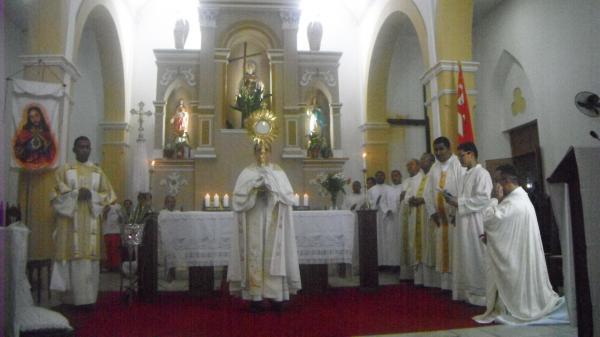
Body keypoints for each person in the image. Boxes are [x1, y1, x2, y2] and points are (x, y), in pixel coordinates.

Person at [474, 164, 564, 324]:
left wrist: (494, 199)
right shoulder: (518, 199)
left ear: (506, 181)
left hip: (518, 260)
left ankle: (509, 308)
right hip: (520, 255)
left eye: (497, 181)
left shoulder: (514, 203)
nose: (495, 186)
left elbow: (490, 220)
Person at [227, 143, 301, 312]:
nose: (262, 153)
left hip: (274, 219)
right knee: (255, 254)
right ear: (253, 152)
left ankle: (277, 295)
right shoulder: (247, 173)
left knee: (274, 255)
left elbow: (288, 196)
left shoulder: (278, 172)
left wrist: (272, 189)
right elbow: (237, 199)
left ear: (271, 152)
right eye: (258, 150)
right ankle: (255, 296)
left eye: (266, 150)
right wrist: (254, 190)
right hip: (254, 216)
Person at [50, 136, 116, 307]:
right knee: (73, 257)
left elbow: (108, 195)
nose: (84, 150)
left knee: (89, 262)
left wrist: (92, 195)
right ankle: (69, 299)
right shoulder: (64, 170)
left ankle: (89, 299)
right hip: (70, 226)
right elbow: (55, 195)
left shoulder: (97, 172)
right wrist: (75, 194)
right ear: (74, 149)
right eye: (81, 147)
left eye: (87, 147)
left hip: (91, 226)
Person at [443, 142, 491, 306]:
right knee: (465, 255)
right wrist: (453, 202)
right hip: (463, 221)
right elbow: (462, 198)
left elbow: (483, 199)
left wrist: (459, 202)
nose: (460, 159)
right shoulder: (465, 175)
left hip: (476, 222)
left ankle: (482, 295)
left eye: (462, 155)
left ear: (471, 154)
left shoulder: (482, 174)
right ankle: (467, 293)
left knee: (477, 255)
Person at [426, 136, 465, 290]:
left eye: (441, 149)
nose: (438, 152)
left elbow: (462, 188)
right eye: (436, 149)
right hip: (441, 220)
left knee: (455, 251)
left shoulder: (457, 165)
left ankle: (457, 286)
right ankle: (445, 285)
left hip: (454, 217)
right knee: (442, 250)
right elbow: (428, 193)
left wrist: (457, 211)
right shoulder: (434, 168)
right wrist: (431, 212)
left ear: (449, 149)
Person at [408, 153, 437, 287]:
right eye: (420, 160)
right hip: (417, 215)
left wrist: (423, 200)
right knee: (420, 244)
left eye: (423, 160)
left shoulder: (435, 174)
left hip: (429, 216)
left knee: (429, 245)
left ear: (431, 161)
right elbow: (410, 194)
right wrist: (411, 200)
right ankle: (421, 279)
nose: (421, 163)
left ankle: (433, 281)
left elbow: (438, 194)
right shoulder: (418, 178)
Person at [368, 171, 400, 268]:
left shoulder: (390, 189)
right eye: (378, 176)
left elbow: (395, 202)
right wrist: (375, 203)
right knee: (379, 241)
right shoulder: (371, 190)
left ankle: (391, 264)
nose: (380, 177)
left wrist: (390, 210)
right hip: (377, 219)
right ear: (375, 178)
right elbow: (370, 204)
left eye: (382, 175)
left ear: (385, 177)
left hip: (389, 219)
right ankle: (379, 264)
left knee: (390, 241)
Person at [13, 105, 58, 170]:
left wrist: (46, 146)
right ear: (29, 119)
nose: (34, 119)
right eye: (31, 117)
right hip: (27, 168)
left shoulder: (47, 132)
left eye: (36, 115)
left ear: (41, 116)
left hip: (44, 169)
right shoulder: (25, 132)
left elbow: (52, 152)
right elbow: (17, 150)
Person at [399, 159, 420, 280]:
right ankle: (407, 274)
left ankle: (416, 275)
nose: (408, 168)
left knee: (414, 241)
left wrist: (406, 198)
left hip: (415, 213)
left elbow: (411, 196)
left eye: (411, 165)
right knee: (406, 241)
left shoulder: (422, 178)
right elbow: (402, 196)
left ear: (418, 166)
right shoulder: (406, 181)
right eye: (407, 166)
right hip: (405, 213)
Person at [342, 180, 367, 275]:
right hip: (351, 222)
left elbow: (369, 205)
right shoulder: (348, 197)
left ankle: (362, 268)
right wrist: (350, 208)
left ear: (360, 186)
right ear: (352, 187)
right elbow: (343, 207)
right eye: (354, 186)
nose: (356, 187)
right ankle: (353, 267)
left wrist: (365, 206)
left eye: (358, 185)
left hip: (362, 222)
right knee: (353, 244)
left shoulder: (365, 196)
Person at [102, 201, 124, 272]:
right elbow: (103, 217)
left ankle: (116, 266)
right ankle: (109, 266)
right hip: (107, 231)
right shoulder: (104, 205)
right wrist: (106, 209)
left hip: (115, 232)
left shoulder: (118, 206)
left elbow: (121, 219)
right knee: (108, 250)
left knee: (115, 250)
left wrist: (118, 213)